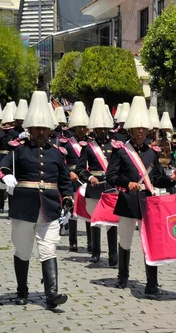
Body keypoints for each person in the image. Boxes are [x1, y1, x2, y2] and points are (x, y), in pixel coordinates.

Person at [0, 91, 74, 309]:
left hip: (49, 209)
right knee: (23, 250)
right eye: (37, 128)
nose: (41, 132)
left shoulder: (57, 153)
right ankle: (22, 290)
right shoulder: (18, 151)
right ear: (29, 129)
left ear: (50, 129)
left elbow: (64, 180)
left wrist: (68, 199)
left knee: (48, 249)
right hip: (23, 209)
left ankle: (51, 294)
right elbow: (2, 167)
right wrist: (6, 175)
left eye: (44, 128)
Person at [106, 96, 176, 293]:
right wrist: (126, 183)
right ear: (130, 130)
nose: (141, 131)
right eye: (137, 128)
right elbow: (111, 176)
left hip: (147, 201)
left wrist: (172, 178)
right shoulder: (121, 151)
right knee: (126, 240)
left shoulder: (151, 152)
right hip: (128, 201)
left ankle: (152, 282)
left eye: (144, 128)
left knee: (151, 240)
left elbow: (155, 179)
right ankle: (123, 276)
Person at [75, 98, 119, 265]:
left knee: (111, 221)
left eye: (104, 128)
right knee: (95, 220)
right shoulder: (88, 147)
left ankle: (113, 253)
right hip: (95, 188)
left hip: (110, 187)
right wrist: (89, 177)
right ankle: (95, 251)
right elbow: (80, 169)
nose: (102, 131)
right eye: (99, 128)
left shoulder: (115, 147)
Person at [62, 102, 92, 252]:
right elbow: (60, 162)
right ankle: (72, 242)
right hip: (73, 179)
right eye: (79, 126)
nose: (82, 129)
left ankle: (90, 242)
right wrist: (68, 172)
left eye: (84, 126)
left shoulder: (91, 143)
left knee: (89, 211)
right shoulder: (67, 143)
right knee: (73, 212)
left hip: (87, 178)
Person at [0, 103, 20, 213]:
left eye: (11, 123)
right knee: (1, 184)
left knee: (11, 186)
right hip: (1, 157)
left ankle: (11, 209)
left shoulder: (16, 132)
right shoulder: (1, 132)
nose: (9, 125)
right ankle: (0, 206)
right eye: (7, 123)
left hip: (12, 157)